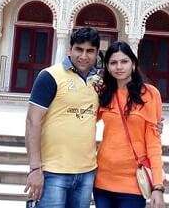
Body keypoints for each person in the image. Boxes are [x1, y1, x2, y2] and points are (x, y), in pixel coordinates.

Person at [24, 27, 101, 208]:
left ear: (97, 53)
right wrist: (35, 169)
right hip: (53, 172)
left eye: (90, 51)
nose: (84, 56)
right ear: (70, 49)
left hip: (86, 172)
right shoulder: (50, 76)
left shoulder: (98, 82)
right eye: (79, 49)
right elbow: (32, 122)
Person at [94, 41, 165, 208]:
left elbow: (154, 144)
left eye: (124, 61)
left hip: (133, 183)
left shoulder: (149, 94)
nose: (119, 67)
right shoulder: (102, 93)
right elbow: (83, 123)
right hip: (102, 181)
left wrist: (158, 186)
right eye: (113, 62)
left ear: (133, 64)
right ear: (108, 67)